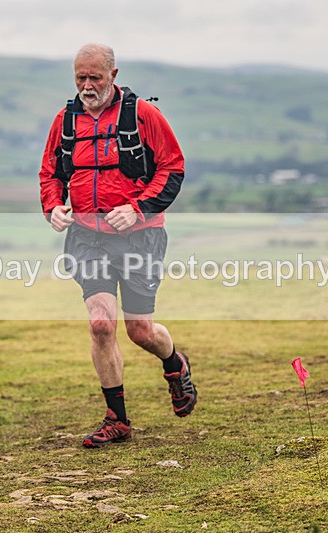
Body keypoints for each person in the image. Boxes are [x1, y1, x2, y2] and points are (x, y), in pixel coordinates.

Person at [39, 43, 197, 448]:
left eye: (95, 77)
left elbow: (173, 169)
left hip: (140, 236)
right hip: (87, 236)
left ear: (113, 74)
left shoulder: (144, 115)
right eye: (80, 78)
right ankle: (118, 420)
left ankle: (174, 362)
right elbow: (50, 173)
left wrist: (139, 209)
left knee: (140, 330)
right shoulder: (66, 120)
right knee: (100, 323)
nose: (87, 86)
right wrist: (53, 207)